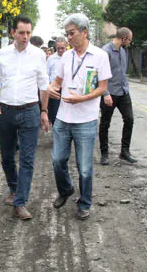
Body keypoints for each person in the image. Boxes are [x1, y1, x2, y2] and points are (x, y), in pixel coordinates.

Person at [47, 14, 111, 220]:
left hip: (86, 120)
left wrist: (82, 98)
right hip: (63, 118)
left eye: (72, 33)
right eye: (67, 34)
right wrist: (51, 88)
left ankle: (84, 203)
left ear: (84, 32)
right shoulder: (66, 56)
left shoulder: (100, 56)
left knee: (84, 168)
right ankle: (65, 190)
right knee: (58, 160)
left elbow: (102, 88)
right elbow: (57, 81)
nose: (69, 38)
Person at [0, 15, 50, 220]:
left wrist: (44, 111)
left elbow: (43, 84)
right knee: (6, 155)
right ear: (14, 32)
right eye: (21, 33)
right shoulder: (3, 54)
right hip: (5, 111)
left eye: (28, 33)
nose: (25, 37)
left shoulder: (38, 55)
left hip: (30, 111)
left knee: (27, 159)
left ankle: (20, 202)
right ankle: (14, 188)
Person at [99, 27, 138, 165]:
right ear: (124, 38)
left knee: (129, 119)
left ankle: (124, 151)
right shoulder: (105, 51)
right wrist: (105, 93)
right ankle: (104, 154)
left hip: (123, 92)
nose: (129, 42)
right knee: (105, 123)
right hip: (109, 93)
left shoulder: (123, 51)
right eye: (130, 40)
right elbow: (100, 74)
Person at [46, 36, 68, 125]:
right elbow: (46, 74)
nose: (60, 50)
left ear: (66, 46)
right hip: (54, 88)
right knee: (54, 113)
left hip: (66, 88)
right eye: (58, 48)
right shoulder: (51, 59)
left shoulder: (70, 57)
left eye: (62, 48)